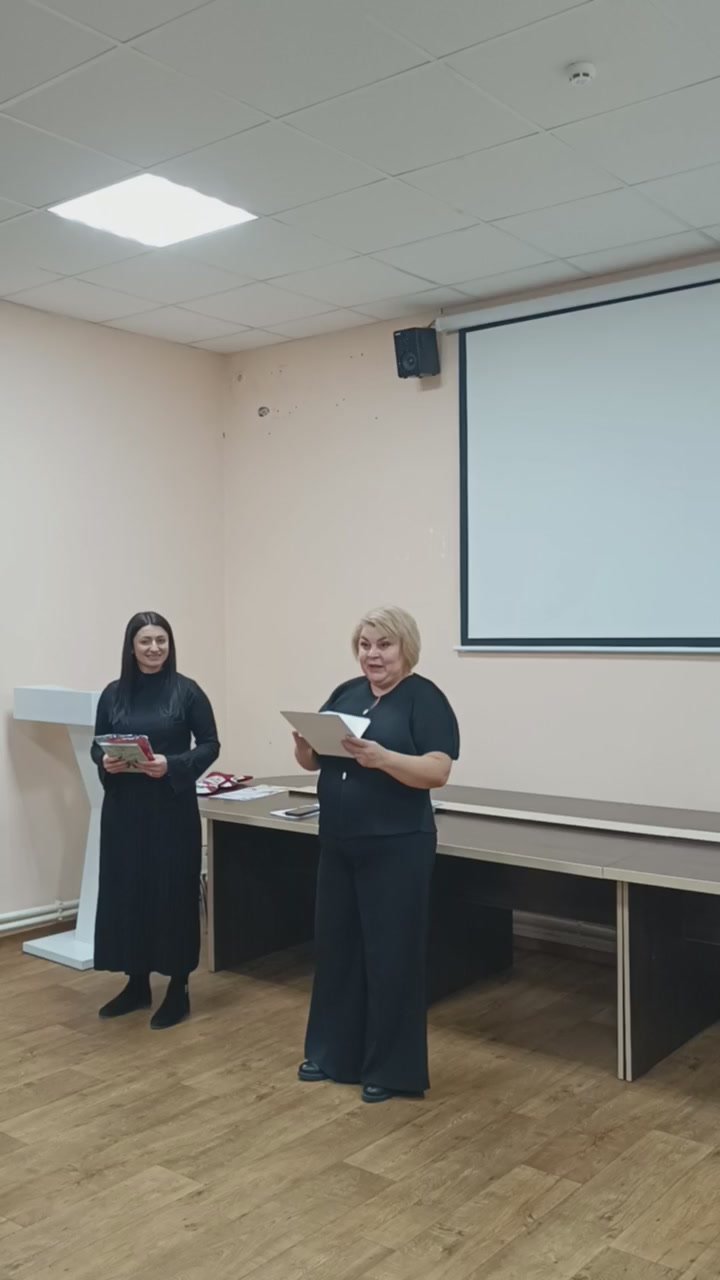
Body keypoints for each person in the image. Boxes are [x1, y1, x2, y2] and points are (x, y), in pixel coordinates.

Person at [293, 606, 459, 1103]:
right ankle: (334, 1054)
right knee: (337, 950)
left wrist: (384, 759)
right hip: (339, 842)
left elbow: (437, 771)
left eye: (383, 644)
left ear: (405, 647)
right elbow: (311, 762)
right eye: (365, 645)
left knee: (391, 957)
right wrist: (304, 745)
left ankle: (392, 1069)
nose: (372, 654)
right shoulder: (346, 693)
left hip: (397, 846)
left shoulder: (424, 698)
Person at [91, 612, 220, 1029]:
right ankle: (136, 984)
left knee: (172, 893)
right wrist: (105, 760)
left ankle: (178, 987)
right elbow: (97, 746)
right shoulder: (113, 694)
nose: (154, 648)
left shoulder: (187, 691)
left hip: (171, 808)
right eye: (145, 641)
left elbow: (210, 745)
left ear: (170, 644)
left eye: (161, 640)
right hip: (124, 811)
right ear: (131, 647)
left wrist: (173, 764)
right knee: (128, 892)